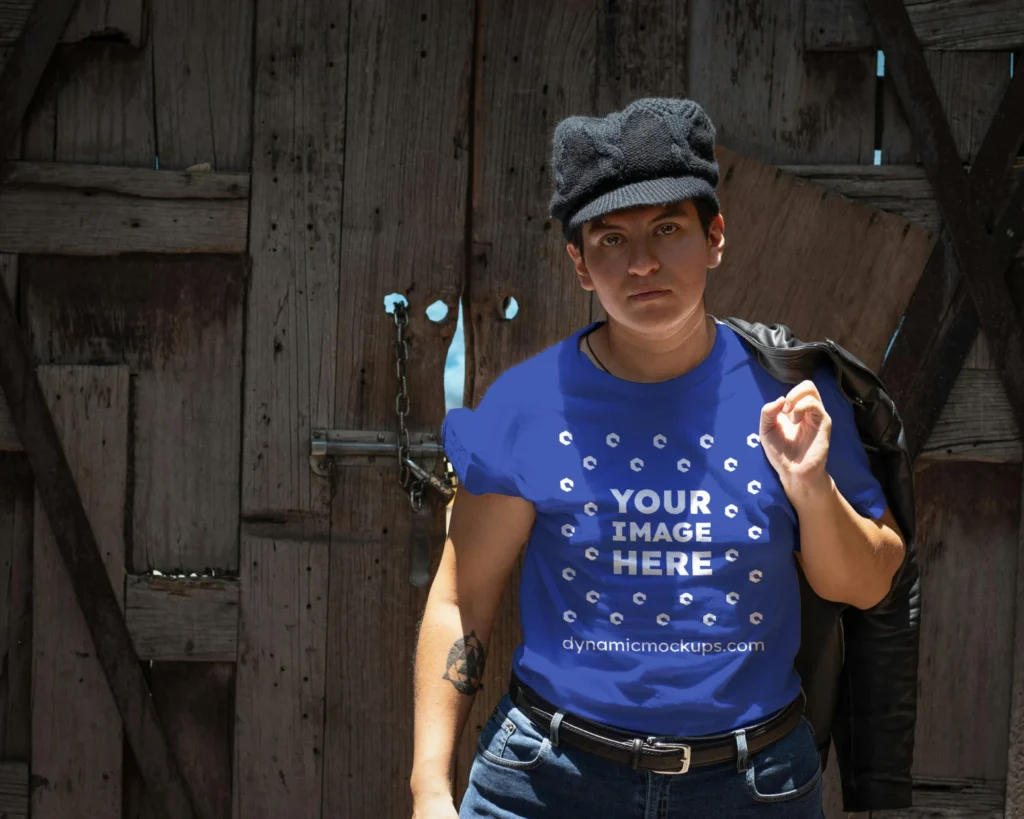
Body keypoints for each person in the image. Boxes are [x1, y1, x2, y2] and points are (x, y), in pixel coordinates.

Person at [410, 98, 908, 819]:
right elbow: (461, 600)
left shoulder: (794, 395)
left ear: (715, 238)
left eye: (668, 228)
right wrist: (429, 787)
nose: (642, 262)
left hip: (751, 786)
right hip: (548, 783)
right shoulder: (527, 405)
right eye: (611, 240)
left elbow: (867, 583)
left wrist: (810, 487)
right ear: (580, 264)